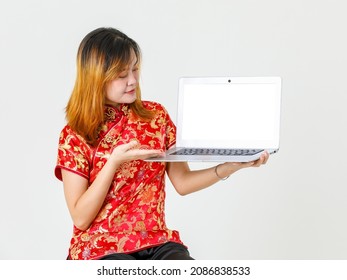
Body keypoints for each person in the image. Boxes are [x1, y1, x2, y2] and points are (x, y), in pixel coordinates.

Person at [54, 27, 269, 260]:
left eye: (135, 69)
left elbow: (183, 182)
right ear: (96, 77)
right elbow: (80, 217)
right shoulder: (74, 135)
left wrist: (232, 165)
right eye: (121, 74)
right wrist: (113, 162)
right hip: (100, 246)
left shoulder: (155, 116)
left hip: (156, 241)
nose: (133, 80)